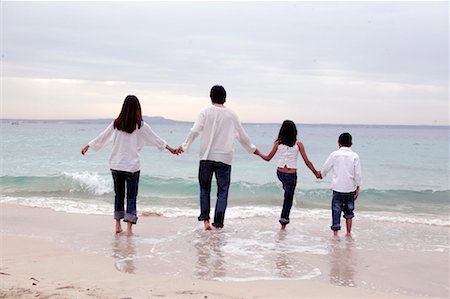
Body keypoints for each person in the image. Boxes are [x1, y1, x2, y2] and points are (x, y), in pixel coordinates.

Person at [81, 95, 177, 236]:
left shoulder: (116, 124)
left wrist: (88, 145)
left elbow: (102, 137)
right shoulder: (140, 125)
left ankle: (117, 225)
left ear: (123, 108)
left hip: (116, 165)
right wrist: (171, 149)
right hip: (132, 167)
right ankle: (129, 229)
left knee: (119, 195)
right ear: (138, 108)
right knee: (131, 197)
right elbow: (156, 139)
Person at [176, 85, 257, 230]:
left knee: (204, 189)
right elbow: (242, 136)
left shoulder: (205, 112)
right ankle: (218, 224)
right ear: (225, 98)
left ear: (210, 97)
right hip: (225, 158)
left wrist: (184, 146)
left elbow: (194, 130)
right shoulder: (232, 115)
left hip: (206, 157)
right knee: (223, 191)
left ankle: (206, 222)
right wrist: (253, 150)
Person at [254, 120, 322, 229]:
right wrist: (315, 173)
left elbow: (268, 158)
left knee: (287, 191)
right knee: (288, 199)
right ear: (294, 131)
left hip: (280, 173)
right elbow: (307, 162)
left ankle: (283, 220)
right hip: (290, 175)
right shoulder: (298, 144)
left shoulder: (278, 144)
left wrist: (258, 153)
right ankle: (283, 224)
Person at [320, 132, 362, 238]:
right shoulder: (355, 156)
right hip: (350, 188)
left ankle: (335, 234)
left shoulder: (335, 154)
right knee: (349, 211)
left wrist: (321, 174)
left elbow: (326, 167)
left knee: (336, 210)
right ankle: (348, 233)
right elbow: (358, 174)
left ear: (338, 143)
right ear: (351, 144)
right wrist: (357, 187)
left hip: (338, 188)